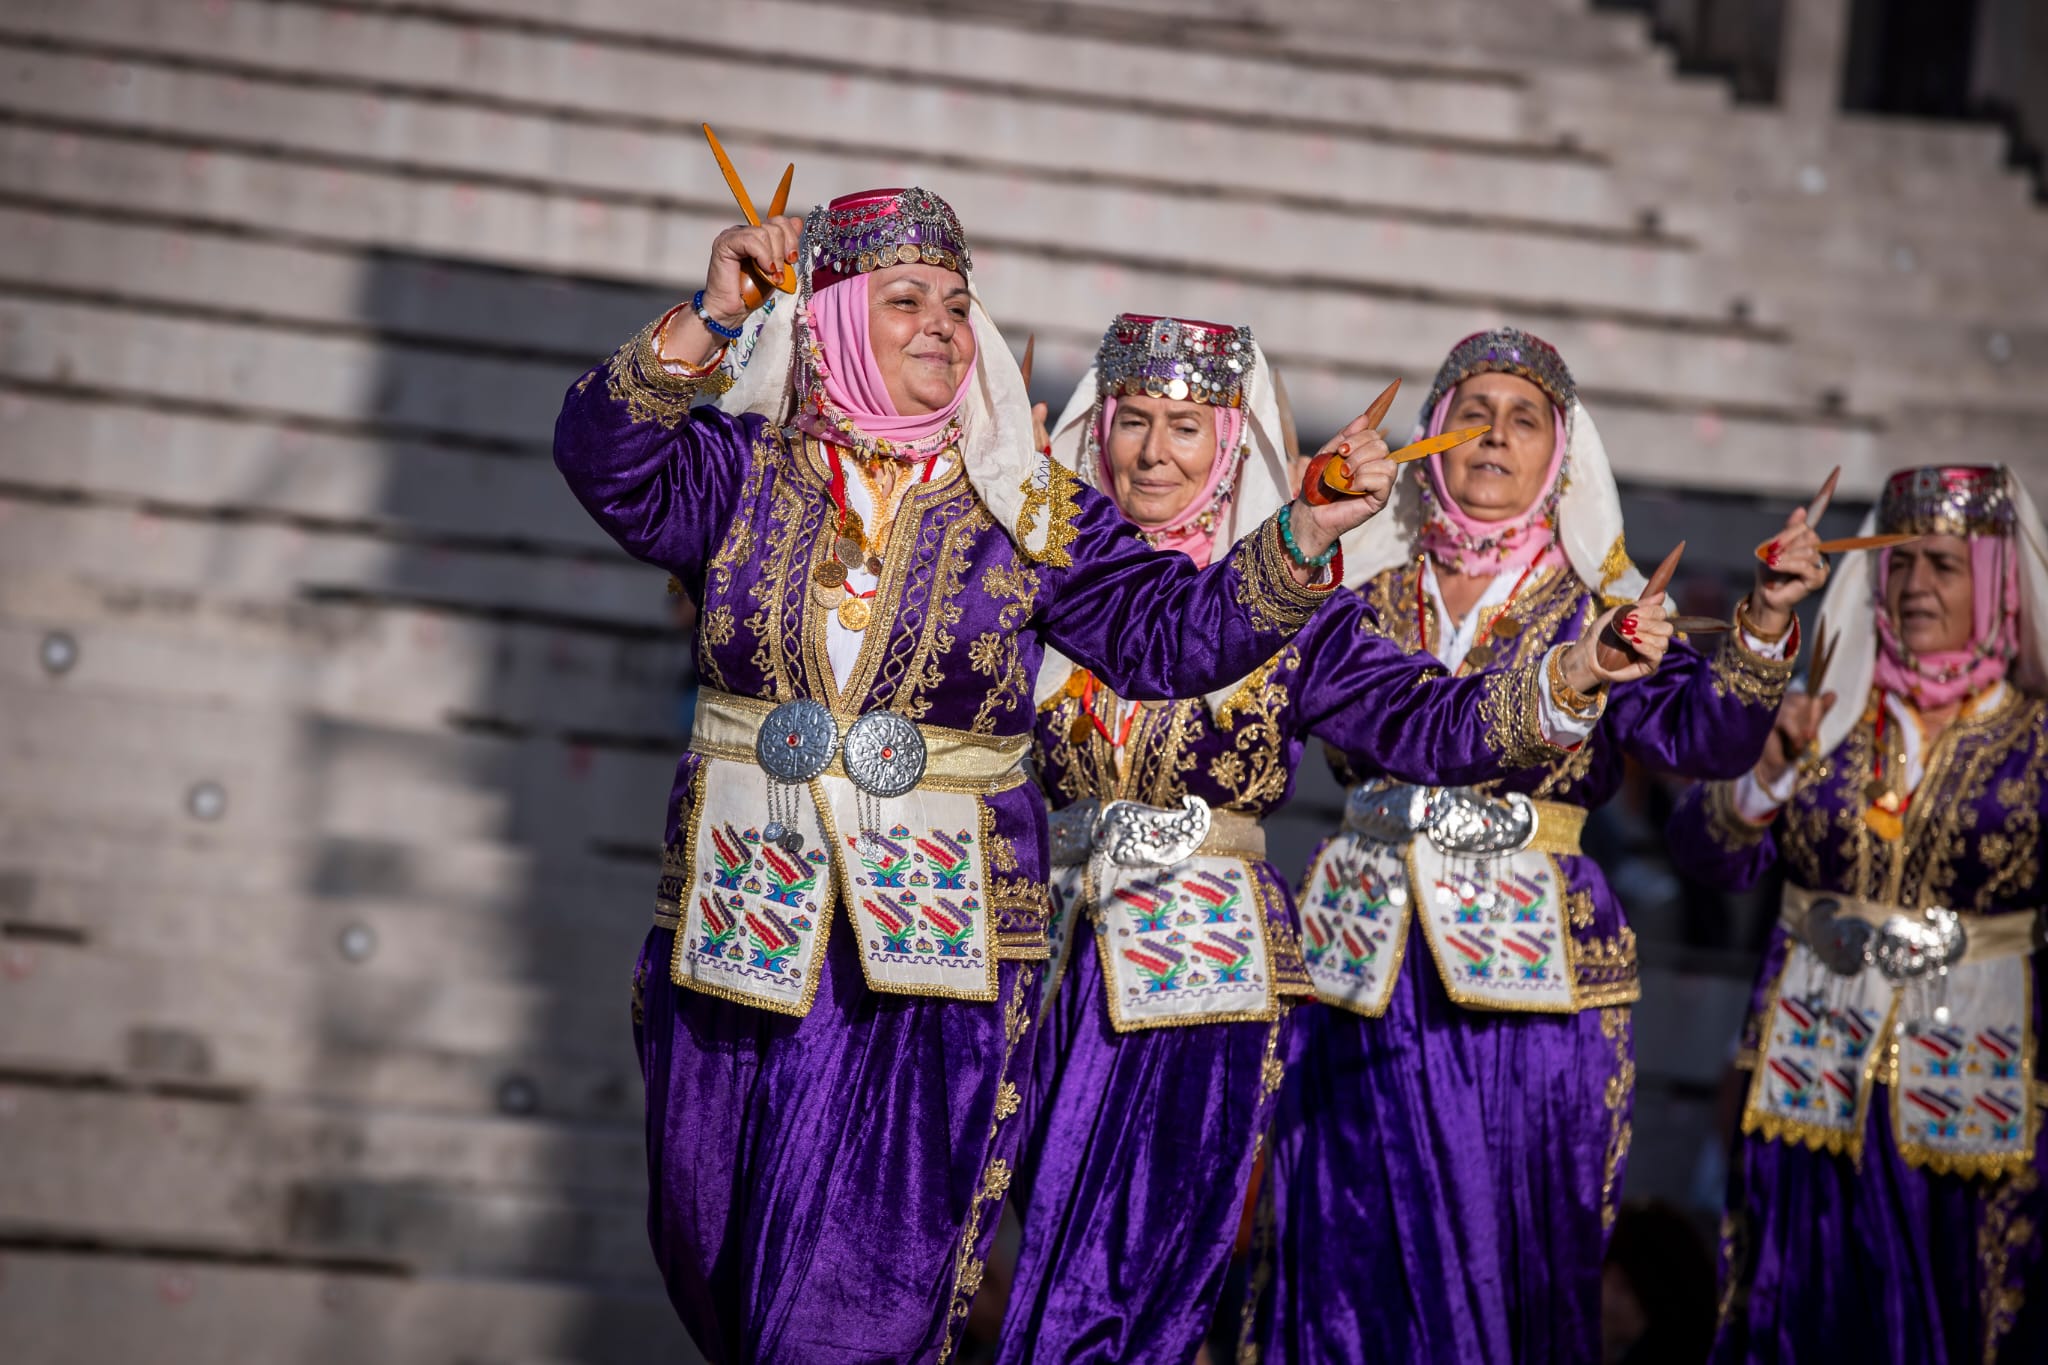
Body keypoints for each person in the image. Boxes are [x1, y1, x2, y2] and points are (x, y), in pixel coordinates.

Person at [552, 187, 1399, 1364]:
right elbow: (602, 457)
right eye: (904, 301)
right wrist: (710, 314)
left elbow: (1177, 637)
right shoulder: (738, 472)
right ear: (835, 315)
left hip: (934, 953)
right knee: (715, 1255)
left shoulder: (1025, 506)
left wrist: (1304, 536)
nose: (943, 324)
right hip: (736, 923)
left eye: (958, 302)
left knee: (855, 1297)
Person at [997, 315, 1676, 1364]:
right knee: (1039, 1257)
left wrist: (1565, 680)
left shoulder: (1294, 608)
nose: (1152, 452)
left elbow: (1430, 723)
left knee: (1129, 1288)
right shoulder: (1035, 577)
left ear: (1229, 447)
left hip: (1202, 974)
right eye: (1132, 420)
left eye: (1186, 426)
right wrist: (994, 502)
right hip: (1048, 960)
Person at [1246, 328, 1826, 1364]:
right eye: (1471, 412)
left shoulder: (1599, 606)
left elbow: (1704, 738)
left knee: (1494, 1250)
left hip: (1524, 981)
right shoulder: (1359, 586)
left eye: (1522, 420)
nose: (1491, 437)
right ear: (1430, 437)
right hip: (1355, 961)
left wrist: (1765, 623)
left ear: (1560, 452)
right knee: (1336, 1243)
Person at [1666, 464, 2048, 1364]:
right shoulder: (1827, 715)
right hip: (1812, 1071)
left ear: (1997, 581)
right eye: (1901, 565)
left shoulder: (2036, 738)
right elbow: (1704, 850)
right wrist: (1767, 774)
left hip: (1979, 1083)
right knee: (1796, 1312)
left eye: (1945, 567)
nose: (1915, 587)